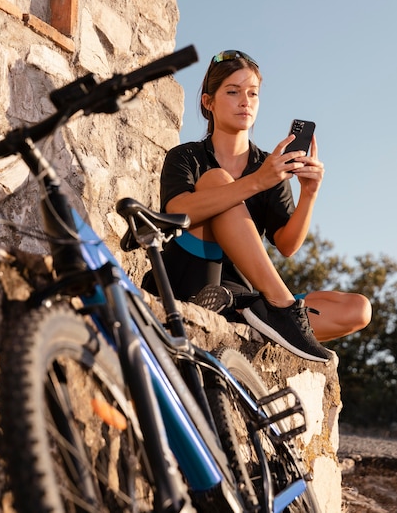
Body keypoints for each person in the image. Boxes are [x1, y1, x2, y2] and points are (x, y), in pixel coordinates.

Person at [143, 50, 371, 362]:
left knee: (358, 309)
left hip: (243, 298)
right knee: (217, 181)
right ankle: (282, 309)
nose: (245, 101)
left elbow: (287, 244)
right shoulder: (187, 156)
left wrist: (309, 193)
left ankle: (258, 315)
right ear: (208, 102)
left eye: (253, 93)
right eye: (233, 92)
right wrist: (257, 181)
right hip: (186, 279)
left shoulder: (269, 165)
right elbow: (177, 213)